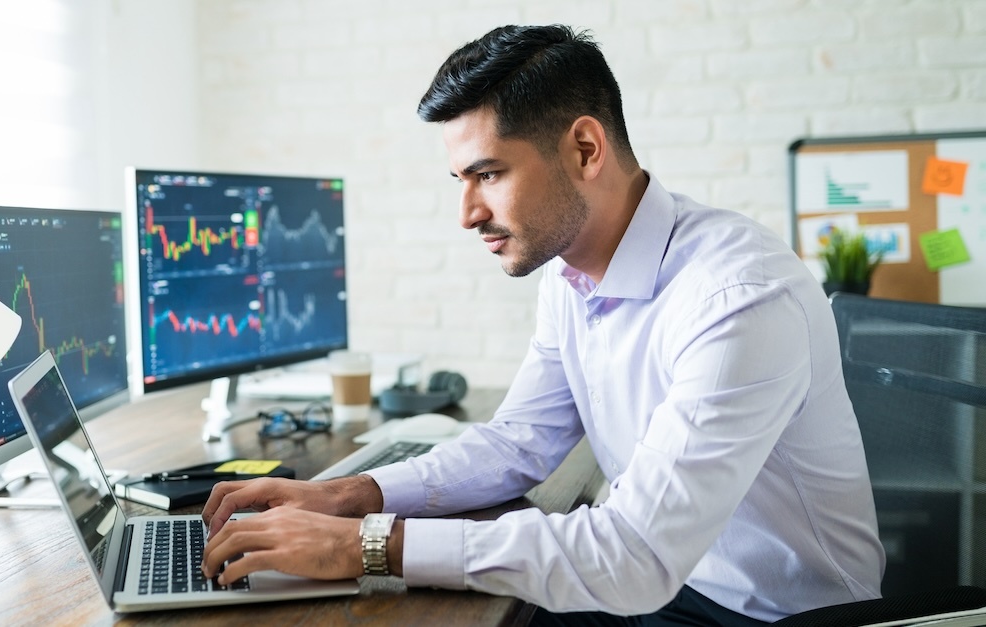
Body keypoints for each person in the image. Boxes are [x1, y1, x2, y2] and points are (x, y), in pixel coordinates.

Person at [201, 24, 885, 624]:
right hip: (665, 593)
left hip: (767, 614)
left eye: (488, 174)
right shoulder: (572, 274)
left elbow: (634, 555)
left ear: (585, 149)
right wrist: (351, 494)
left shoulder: (738, 297)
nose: (467, 212)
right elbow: (519, 443)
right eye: (460, 181)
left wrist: (366, 544)